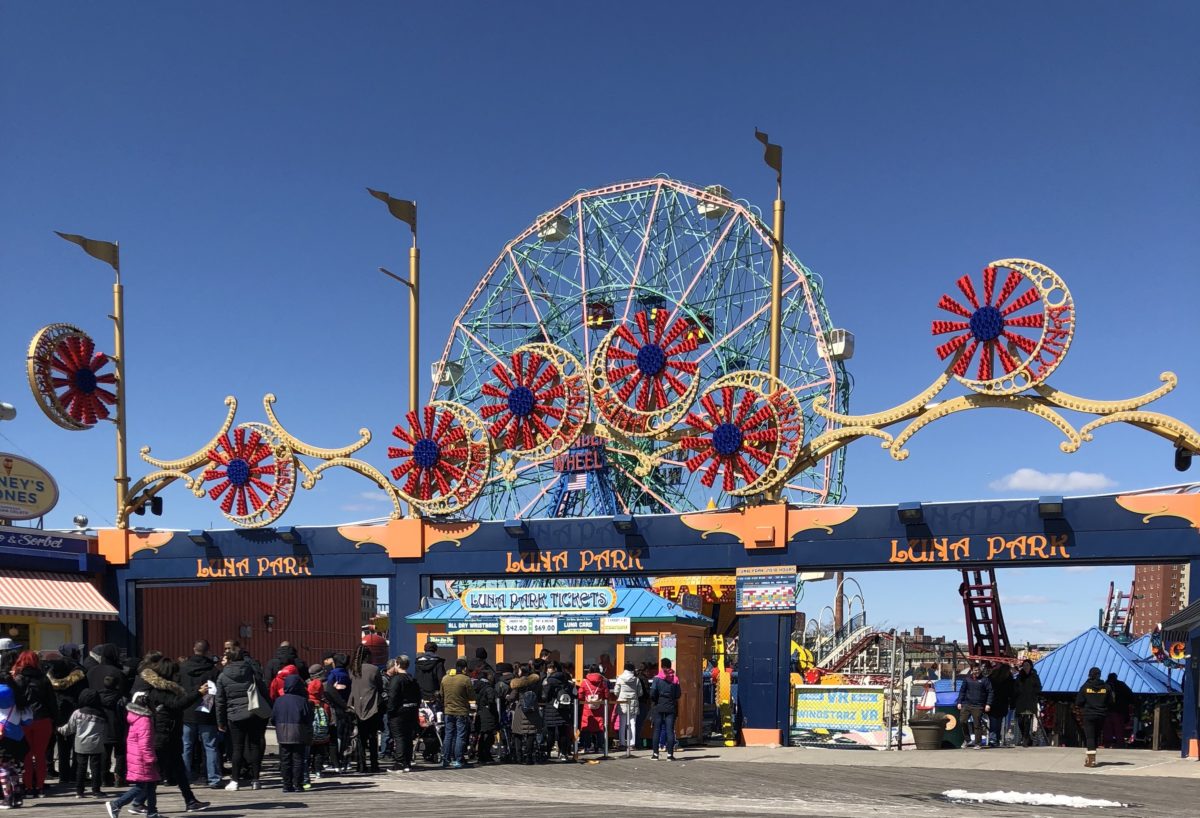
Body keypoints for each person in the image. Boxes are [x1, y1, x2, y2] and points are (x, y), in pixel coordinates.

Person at [131, 656, 210, 814]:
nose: (178, 676)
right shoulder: (160, 690)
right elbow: (177, 704)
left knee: (179, 769)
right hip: (163, 734)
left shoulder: (168, 688)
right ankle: (136, 801)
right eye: (175, 673)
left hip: (171, 733)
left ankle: (190, 800)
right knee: (155, 771)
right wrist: (198, 694)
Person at [215, 646, 267, 791]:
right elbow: (263, 689)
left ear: (229, 659)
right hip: (253, 711)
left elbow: (220, 701)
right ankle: (256, 780)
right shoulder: (251, 671)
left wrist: (220, 721)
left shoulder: (222, 676)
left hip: (234, 714)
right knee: (255, 745)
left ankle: (235, 780)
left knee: (237, 748)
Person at [9, 651, 57, 797]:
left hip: (24, 720)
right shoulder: (44, 679)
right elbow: (52, 702)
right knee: (40, 755)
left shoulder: (17, 679)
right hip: (43, 719)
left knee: (27, 755)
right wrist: (55, 719)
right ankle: (40, 786)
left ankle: (29, 787)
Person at [105, 688, 158, 818]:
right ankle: (116, 804)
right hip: (142, 757)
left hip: (137, 756)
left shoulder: (135, 717)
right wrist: (150, 759)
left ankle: (152, 813)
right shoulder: (144, 720)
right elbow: (144, 742)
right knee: (141, 786)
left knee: (151, 784)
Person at [180, 640, 222, 790]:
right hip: (206, 711)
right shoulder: (213, 670)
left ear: (194, 649)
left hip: (187, 710)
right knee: (210, 746)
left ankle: (184, 777)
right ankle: (214, 778)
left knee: (186, 746)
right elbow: (216, 692)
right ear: (208, 651)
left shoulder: (183, 668)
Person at [86, 644, 129, 787]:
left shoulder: (91, 672)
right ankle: (119, 776)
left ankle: (104, 777)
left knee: (103, 748)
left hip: (97, 714)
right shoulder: (118, 673)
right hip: (116, 715)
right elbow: (124, 695)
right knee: (120, 747)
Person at [47, 644, 87, 786]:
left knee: (62, 745)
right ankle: (75, 773)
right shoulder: (78, 670)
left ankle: (63, 775)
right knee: (77, 744)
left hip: (59, 710)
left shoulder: (52, 670)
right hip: (75, 709)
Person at [58, 687, 108, 798]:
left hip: (81, 743)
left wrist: (59, 729)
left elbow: (70, 728)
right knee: (95, 767)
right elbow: (104, 730)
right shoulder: (101, 714)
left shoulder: (77, 713)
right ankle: (96, 790)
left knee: (81, 767)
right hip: (96, 744)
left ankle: (79, 791)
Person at [272, 674, 312, 793]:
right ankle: (298, 784)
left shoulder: (279, 700)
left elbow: (273, 718)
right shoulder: (302, 701)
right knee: (298, 759)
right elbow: (308, 718)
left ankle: (286, 784)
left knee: (285, 760)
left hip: (282, 733)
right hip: (299, 733)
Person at [348, 644, 383, 774]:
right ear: (368, 656)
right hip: (372, 706)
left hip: (357, 707)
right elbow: (380, 687)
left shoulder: (353, 670)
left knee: (360, 738)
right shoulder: (374, 669)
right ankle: (374, 764)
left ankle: (361, 765)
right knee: (373, 737)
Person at [384, 656, 421, 772]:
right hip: (411, 710)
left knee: (399, 737)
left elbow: (393, 697)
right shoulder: (412, 679)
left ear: (398, 664)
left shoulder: (396, 680)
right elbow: (418, 696)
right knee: (408, 737)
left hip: (398, 712)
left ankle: (399, 763)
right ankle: (407, 762)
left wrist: (390, 710)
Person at [439, 658, 475, 769]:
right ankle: (458, 759)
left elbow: (441, 694)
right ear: (464, 668)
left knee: (448, 735)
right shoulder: (465, 679)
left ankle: (445, 759)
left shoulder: (445, 678)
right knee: (460, 735)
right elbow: (471, 696)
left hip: (448, 711)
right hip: (461, 711)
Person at [1075, 667, 1114, 767]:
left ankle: (1091, 760)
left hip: (1089, 714)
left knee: (1090, 737)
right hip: (1101, 715)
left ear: (1089, 675)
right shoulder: (1106, 687)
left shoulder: (1085, 686)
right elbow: (1111, 701)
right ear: (1100, 675)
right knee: (1096, 736)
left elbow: (1079, 701)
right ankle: (1091, 757)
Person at [507, 663, 541, 765]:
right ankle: (529, 758)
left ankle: (519, 757)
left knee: (518, 733)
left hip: (520, 709)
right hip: (533, 710)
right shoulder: (536, 682)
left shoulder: (518, 683)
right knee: (531, 733)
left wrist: (507, 697)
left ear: (521, 671)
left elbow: (512, 697)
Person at [540, 660, 574, 762]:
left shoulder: (549, 680)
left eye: (549, 667)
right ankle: (563, 753)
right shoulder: (566, 678)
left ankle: (548, 752)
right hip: (564, 708)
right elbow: (572, 693)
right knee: (563, 732)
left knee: (550, 732)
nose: (548, 670)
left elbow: (545, 696)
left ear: (554, 668)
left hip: (551, 708)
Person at [323, 653, 352, 772]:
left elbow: (329, 690)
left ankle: (336, 760)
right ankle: (346, 761)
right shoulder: (347, 674)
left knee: (337, 735)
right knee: (346, 735)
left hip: (336, 707)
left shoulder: (333, 674)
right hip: (347, 707)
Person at [955, 663, 993, 748]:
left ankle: (977, 743)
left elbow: (990, 692)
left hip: (978, 705)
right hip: (967, 704)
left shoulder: (985, 680)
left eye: (978, 669)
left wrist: (988, 704)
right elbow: (962, 691)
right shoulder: (967, 679)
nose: (977, 671)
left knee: (977, 724)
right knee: (962, 721)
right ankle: (967, 740)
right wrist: (959, 702)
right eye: (975, 670)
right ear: (972, 670)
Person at [650, 658, 681, 760]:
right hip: (671, 706)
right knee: (670, 730)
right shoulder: (675, 679)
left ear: (662, 666)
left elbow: (652, 693)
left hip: (659, 706)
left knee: (657, 729)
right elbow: (678, 694)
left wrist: (656, 700)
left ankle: (655, 754)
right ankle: (670, 755)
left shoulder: (657, 678)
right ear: (670, 666)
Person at [305, 673, 334, 782]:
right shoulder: (324, 705)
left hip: (309, 733)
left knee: (307, 753)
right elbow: (329, 717)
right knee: (319, 753)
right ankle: (317, 770)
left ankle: (306, 770)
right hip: (322, 735)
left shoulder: (306, 702)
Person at [577, 663, 610, 754]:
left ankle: (588, 746)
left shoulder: (585, 682)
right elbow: (606, 694)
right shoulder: (602, 681)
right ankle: (599, 747)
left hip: (587, 707)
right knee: (599, 726)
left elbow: (580, 695)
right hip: (599, 707)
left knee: (587, 726)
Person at [1012, 659, 1042, 747]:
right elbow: (1015, 688)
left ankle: (1025, 739)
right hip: (1020, 701)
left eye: (1027, 665)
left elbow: (1039, 687)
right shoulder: (1019, 676)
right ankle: (1027, 737)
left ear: (1030, 666)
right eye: (1024, 665)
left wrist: (1033, 693)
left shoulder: (1034, 676)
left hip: (1030, 701)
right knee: (1020, 721)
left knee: (1027, 720)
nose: (1026, 667)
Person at [614, 661, 641, 755]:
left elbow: (616, 691)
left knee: (622, 724)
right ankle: (632, 743)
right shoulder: (636, 679)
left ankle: (622, 743)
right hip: (633, 702)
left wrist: (620, 696)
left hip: (622, 702)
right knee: (633, 723)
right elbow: (640, 692)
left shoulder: (620, 678)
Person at [472, 669, 498, 764]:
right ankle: (486, 755)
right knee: (489, 735)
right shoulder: (489, 688)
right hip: (488, 714)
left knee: (482, 734)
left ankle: (481, 754)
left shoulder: (477, 687)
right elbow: (491, 701)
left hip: (480, 712)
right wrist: (492, 708)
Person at [987, 661, 1014, 748]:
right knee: (999, 723)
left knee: (993, 723)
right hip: (1003, 703)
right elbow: (1011, 692)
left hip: (993, 702)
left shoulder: (992, 677)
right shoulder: (1009, 679)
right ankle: (997, 739)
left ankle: (993, 739)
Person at [1103, 672, 1133, 748]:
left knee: (1107, 729)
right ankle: (1120, 744)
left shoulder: (1104, 685)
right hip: (1119, 711)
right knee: (1119, 728)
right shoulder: (1121, 685)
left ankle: (1108, 743)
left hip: (1107, 710)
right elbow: (1130, 695)